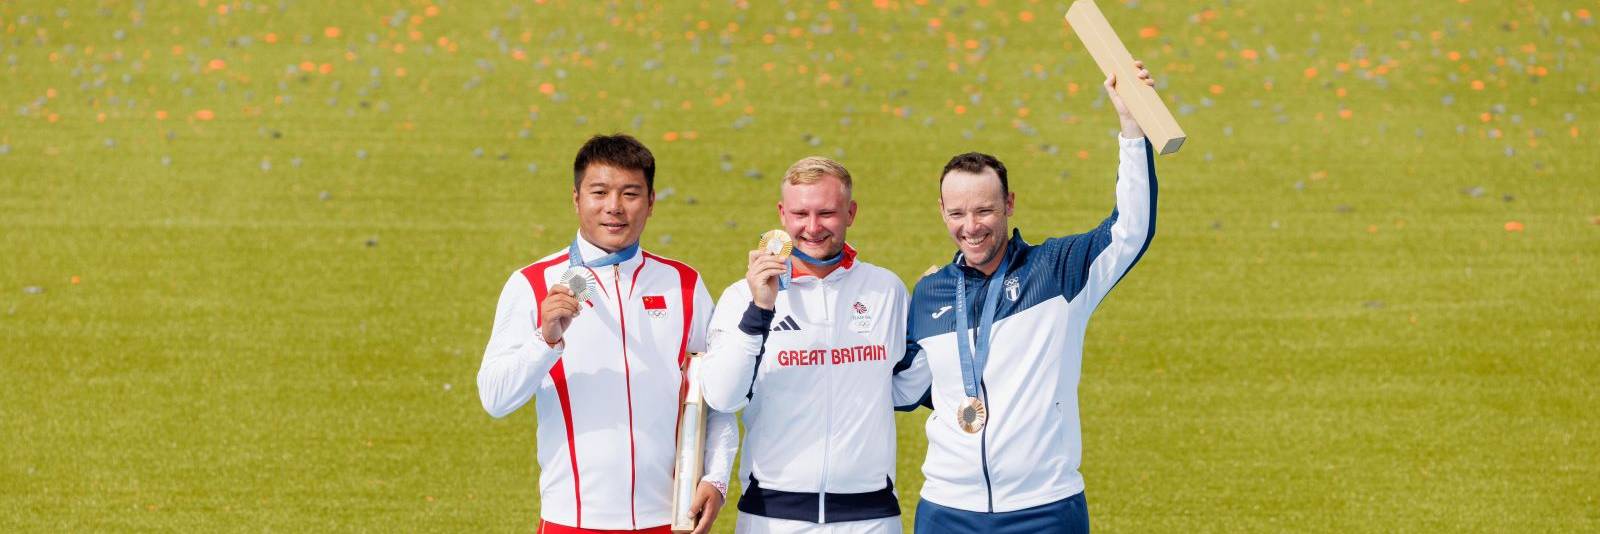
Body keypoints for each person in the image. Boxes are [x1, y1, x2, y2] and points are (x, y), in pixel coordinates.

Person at [899, 62, 1160, 533]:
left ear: (1009, 205)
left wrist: (1132, 128)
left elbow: (1130, 229)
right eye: (957, 212)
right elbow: (905, 387)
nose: (971, 226)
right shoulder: (930, 293)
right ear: (941, 211)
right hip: (946, 509)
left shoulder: (1058, 271)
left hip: (1044, 509)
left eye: (984, 210)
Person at [478, 134, 739, 534]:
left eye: (630, 193)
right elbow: (495, 398)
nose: (614, 207)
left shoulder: (683, 284)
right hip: (573, 523)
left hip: (671, 523)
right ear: (576, 198)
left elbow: (716, 397)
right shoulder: (532, 284)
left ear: (651, 201)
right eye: (599, 192)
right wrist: (544, 341)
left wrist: (717, 479)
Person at [698, 157, 930, 534]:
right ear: (781, 214)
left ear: (851, 212)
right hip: (771, 517)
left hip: (871, 517)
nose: (812, 227)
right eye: (800, 213)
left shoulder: (885, 289)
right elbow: (723, 397)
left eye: (827, 213)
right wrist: (760, 309)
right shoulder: (741, 296)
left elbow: (903, 390)